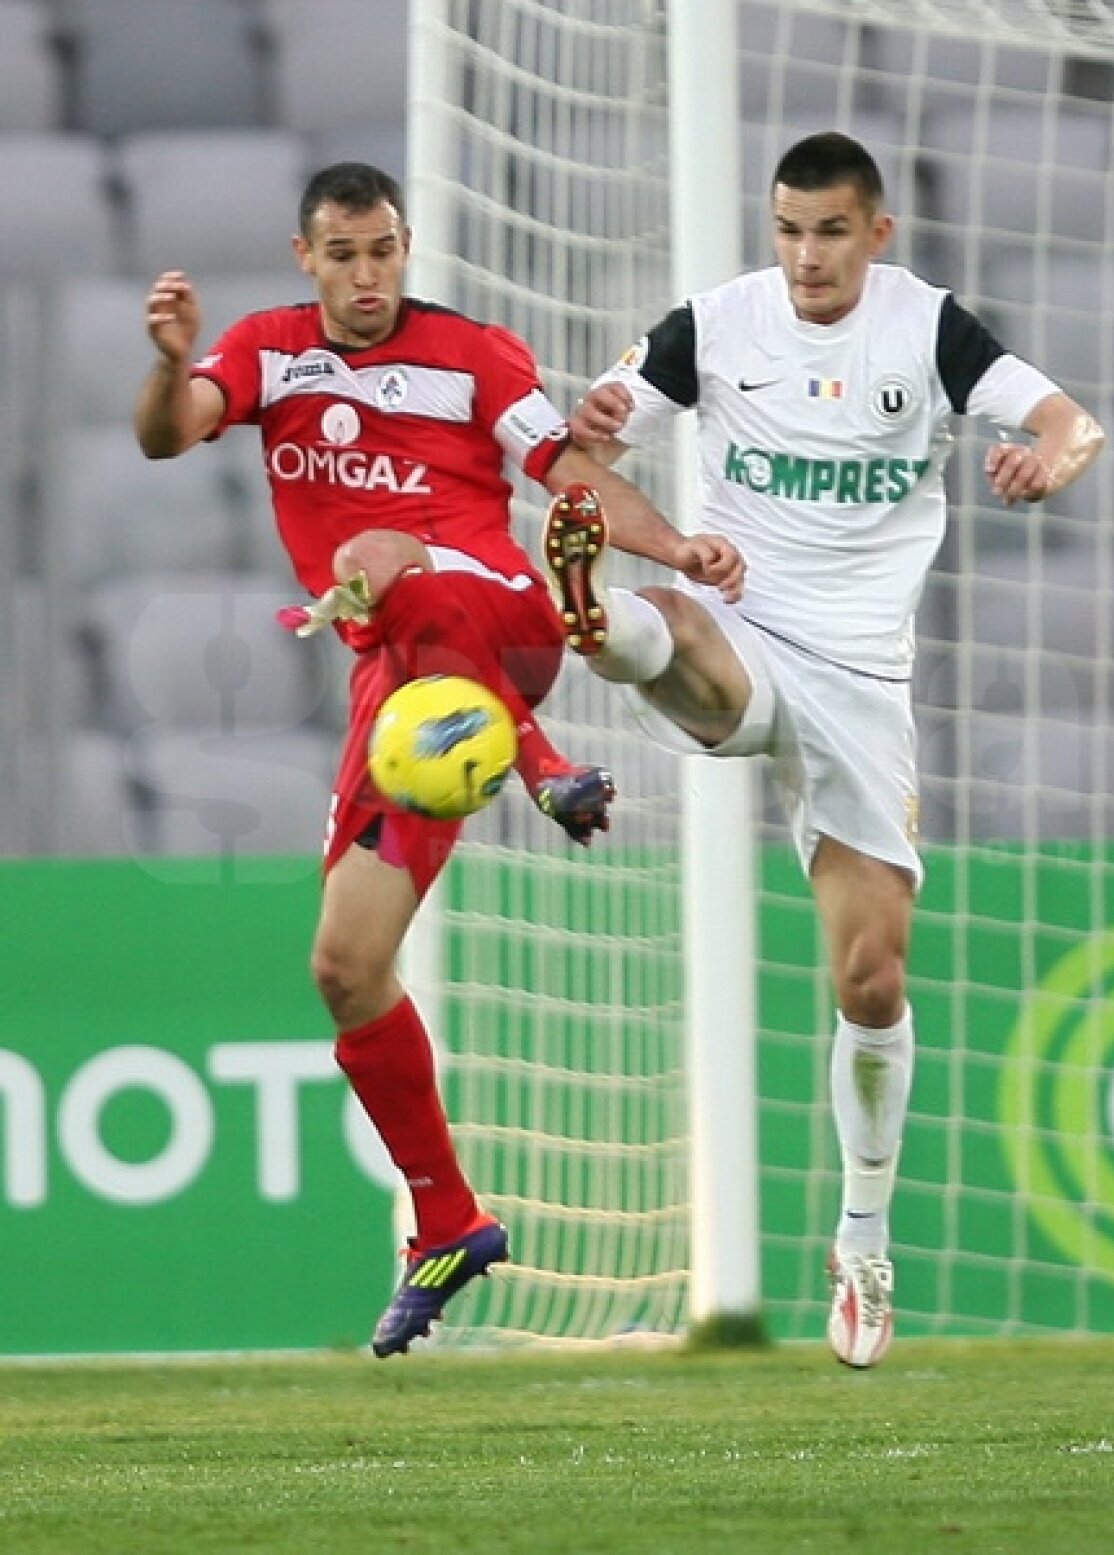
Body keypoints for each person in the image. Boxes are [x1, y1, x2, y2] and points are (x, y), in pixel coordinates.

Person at [133, 161, 742, 1357]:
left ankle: (546, 764)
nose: (368, 276)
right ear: (307, 257)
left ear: (404, 247)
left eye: (384, 251)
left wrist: (675, 545)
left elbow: (567, 476)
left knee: (379, 555)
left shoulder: (473, 354)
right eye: (344, 255)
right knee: (346, 968)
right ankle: (449, 1220)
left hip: (501, 623)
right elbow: (170, 434)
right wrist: (169, 362)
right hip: (407, 691)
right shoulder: (266, 350)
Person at [543, 132, 1105, 1368]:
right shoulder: (714, 325)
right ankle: (603, 620)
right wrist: (648, 513)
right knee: (674, 619)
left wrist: (1046, 462)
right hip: (739, 625)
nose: (806, 255)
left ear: (877, 232)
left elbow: (1074, 424)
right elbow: (578, 460)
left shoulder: (928, 329)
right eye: (790, 229)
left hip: (862, 681)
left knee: (871, 979)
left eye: (832, 231)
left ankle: (862, 1239)